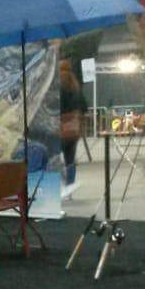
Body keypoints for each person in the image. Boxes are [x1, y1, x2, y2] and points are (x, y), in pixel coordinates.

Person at [59, 59, 87, 198]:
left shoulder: (58, 87)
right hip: (74, 129)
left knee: (52, 157)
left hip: (59, 128)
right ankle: (70, 187)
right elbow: (84, 107)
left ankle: (63, 179)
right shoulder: (76, 86)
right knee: (70, 159)